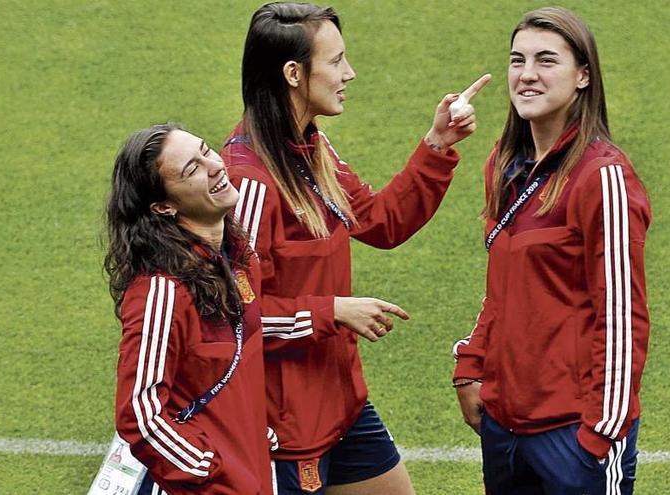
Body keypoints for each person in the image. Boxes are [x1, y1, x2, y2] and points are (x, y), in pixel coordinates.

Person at [221, 3, 489, 494]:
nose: (350, 73)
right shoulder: (248, 180)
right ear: (294, 74)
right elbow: (231, 317)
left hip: (342, 404)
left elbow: (382, 221)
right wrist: (332, 312)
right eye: (336, 61)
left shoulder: (311, 150)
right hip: (284, 426)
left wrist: (437, 144)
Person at [451, 7, 652, 494]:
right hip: (505, 426)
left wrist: (600, 432)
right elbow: (503, 288)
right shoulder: (503, 164)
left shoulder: (603, 178)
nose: (527, 75)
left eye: (546, 61)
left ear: (583, 75)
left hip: (573, 434)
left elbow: (622, 315)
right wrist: (472, 364)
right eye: (517, 61)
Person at [106, 124, 273, 495]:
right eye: (191, 169)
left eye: (206, 150)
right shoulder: (161, 290)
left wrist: (251, 433)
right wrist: (207, 468)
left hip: (252, 474)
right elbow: (139, 413)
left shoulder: (238, 260)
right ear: (163, 206)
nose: (214, 165)